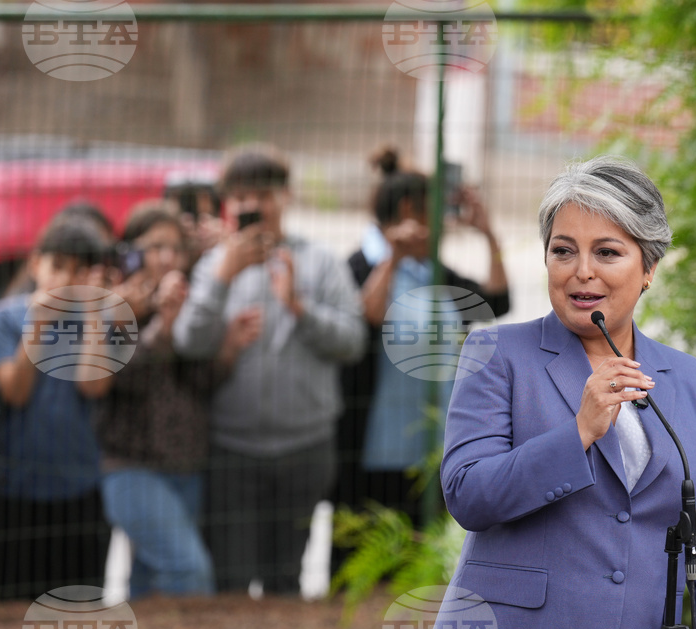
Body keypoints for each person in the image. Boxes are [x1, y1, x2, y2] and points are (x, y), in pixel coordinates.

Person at [425, 156, 696, 629]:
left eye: (607, 252)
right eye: (563, 251)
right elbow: (468, 495)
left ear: (648, 268)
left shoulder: (691, 380)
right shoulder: (498, 354)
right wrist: (579, 431)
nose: (582, 272)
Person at [172, 145, 366, 595]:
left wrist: (299, 307)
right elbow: (188, 343)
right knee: (231, 580)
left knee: (286, 578)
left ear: (286, 197)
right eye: (240, 197)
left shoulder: (321, 262)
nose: (252, 206)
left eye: (263, 194)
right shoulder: (212, 267)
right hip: (231, 448)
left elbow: (352, 343)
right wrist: (223, 277)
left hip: (306, 446)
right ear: (227, 204)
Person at [78, 201, 261, 599]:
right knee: (189, 572)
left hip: (187, 466)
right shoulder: (117, 305)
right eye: (155, 247)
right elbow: (109, 380)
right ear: (132, 251)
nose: (167, 258)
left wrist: (227, 348)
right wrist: (161, 324)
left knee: (148, 583)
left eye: (176, 248)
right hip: (133, 468)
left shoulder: (194, 299)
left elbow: (200, 383)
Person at [336, 148, 510, 527]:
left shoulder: (436, 271)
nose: (444, 221)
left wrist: (488, 234)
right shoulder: (360, 265)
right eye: (435, 209)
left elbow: (496, 301)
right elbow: (367, 316)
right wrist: (394, 257)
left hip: (430, 449)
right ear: (408, 210)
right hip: (370, 449)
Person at [0, 216, 113, 602]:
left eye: (79, 271)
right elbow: (15, 392)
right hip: (13, 493)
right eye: (57, 267)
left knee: (76, 614)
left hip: (79, 491)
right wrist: (38, 325)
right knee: (9, 609)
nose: (64, 280)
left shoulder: (103, 321)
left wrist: (91, 313)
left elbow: (95, 385)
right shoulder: (4, 317)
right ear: (36, 264)